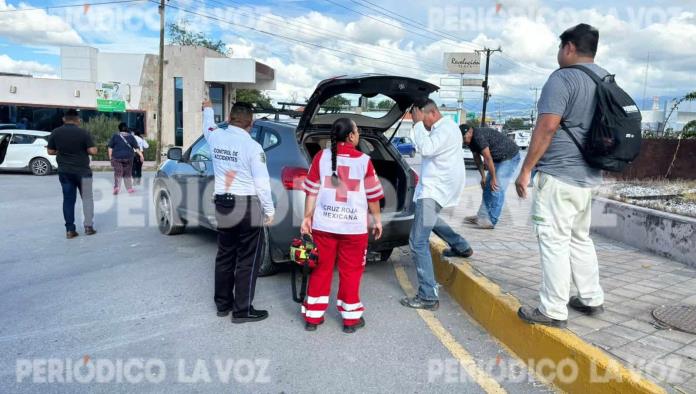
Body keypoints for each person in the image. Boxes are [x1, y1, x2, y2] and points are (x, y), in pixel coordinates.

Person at [515, 23, 606, 328]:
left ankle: (552, 309)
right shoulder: (605, 79)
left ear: (568, 47)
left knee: (554, 240)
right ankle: (591, 298)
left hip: (558, 176)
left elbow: (548, 126)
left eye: (559, 48)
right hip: (589, 177)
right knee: (580, 238)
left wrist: (526, 169)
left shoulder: (563, 78)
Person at [300, 118, 384, 334]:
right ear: (350, 136)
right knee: (351, 272)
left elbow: (311, 191)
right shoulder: (364, 161)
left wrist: (307, 217)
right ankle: (350, 320)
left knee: (320, 269)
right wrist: (377, 219)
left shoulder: (321, 157)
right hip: (354, 229)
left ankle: (313, 317)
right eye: (357, 131)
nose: (358, 135)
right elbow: (373, 197)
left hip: (324, 226)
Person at [203, 100, 275, 324]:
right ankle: (242, 310)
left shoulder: (215, 137)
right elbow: (262, 183)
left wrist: (208, 109)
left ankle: (223, 305)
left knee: (225, 254)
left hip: (223, 205)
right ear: (250, 124)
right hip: (247, 206)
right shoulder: (253, 147)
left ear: (229, 119)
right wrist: (270, 210)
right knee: (248, 258)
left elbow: (207, 126)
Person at [401, 99, 472, 311]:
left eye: (420, 116)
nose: (419, 120)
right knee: (430, 220)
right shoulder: (447, 128)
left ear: (430, 113)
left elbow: (426, 149)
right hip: (438, 188)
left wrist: (416, 125)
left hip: (435, 190)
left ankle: (428, 296)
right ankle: (461, 245)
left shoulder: (444, 129)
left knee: (417, 242)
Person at [46, 109, 97, 239]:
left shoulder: (56, 132)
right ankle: (88, 227)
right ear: (78, 120)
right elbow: (93, 151)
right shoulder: (83, 133)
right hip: (83, 172)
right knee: (87, 199)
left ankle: (70, 230)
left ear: (64, 119)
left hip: (65, 172)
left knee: (68, 200)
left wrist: (62, 151)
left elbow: (50, 151)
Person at [461, 124, 521, 229]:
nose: (463, 141)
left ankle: (491, 221)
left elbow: (487, 158)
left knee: (496, 188)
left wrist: (493, 178)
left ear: (470, 132)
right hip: (497, 159)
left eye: (463, 137)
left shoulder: (478, 136)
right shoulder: (469, 141)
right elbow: (477, 158)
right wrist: (483, 177)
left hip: (509, 157)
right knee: (487, 188)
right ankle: (482, 216)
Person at [107, 123, 143, 194]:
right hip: (128, 157)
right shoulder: (131, 137)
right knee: (128, 173)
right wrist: (141, 155)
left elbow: (110, 147)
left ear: (119, 129)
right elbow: (136, 148)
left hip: (117, 157)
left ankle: (117, 187)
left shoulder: (115, 136)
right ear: (127, 129)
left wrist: (110, 157)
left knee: (118, 172)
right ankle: (129, 188)